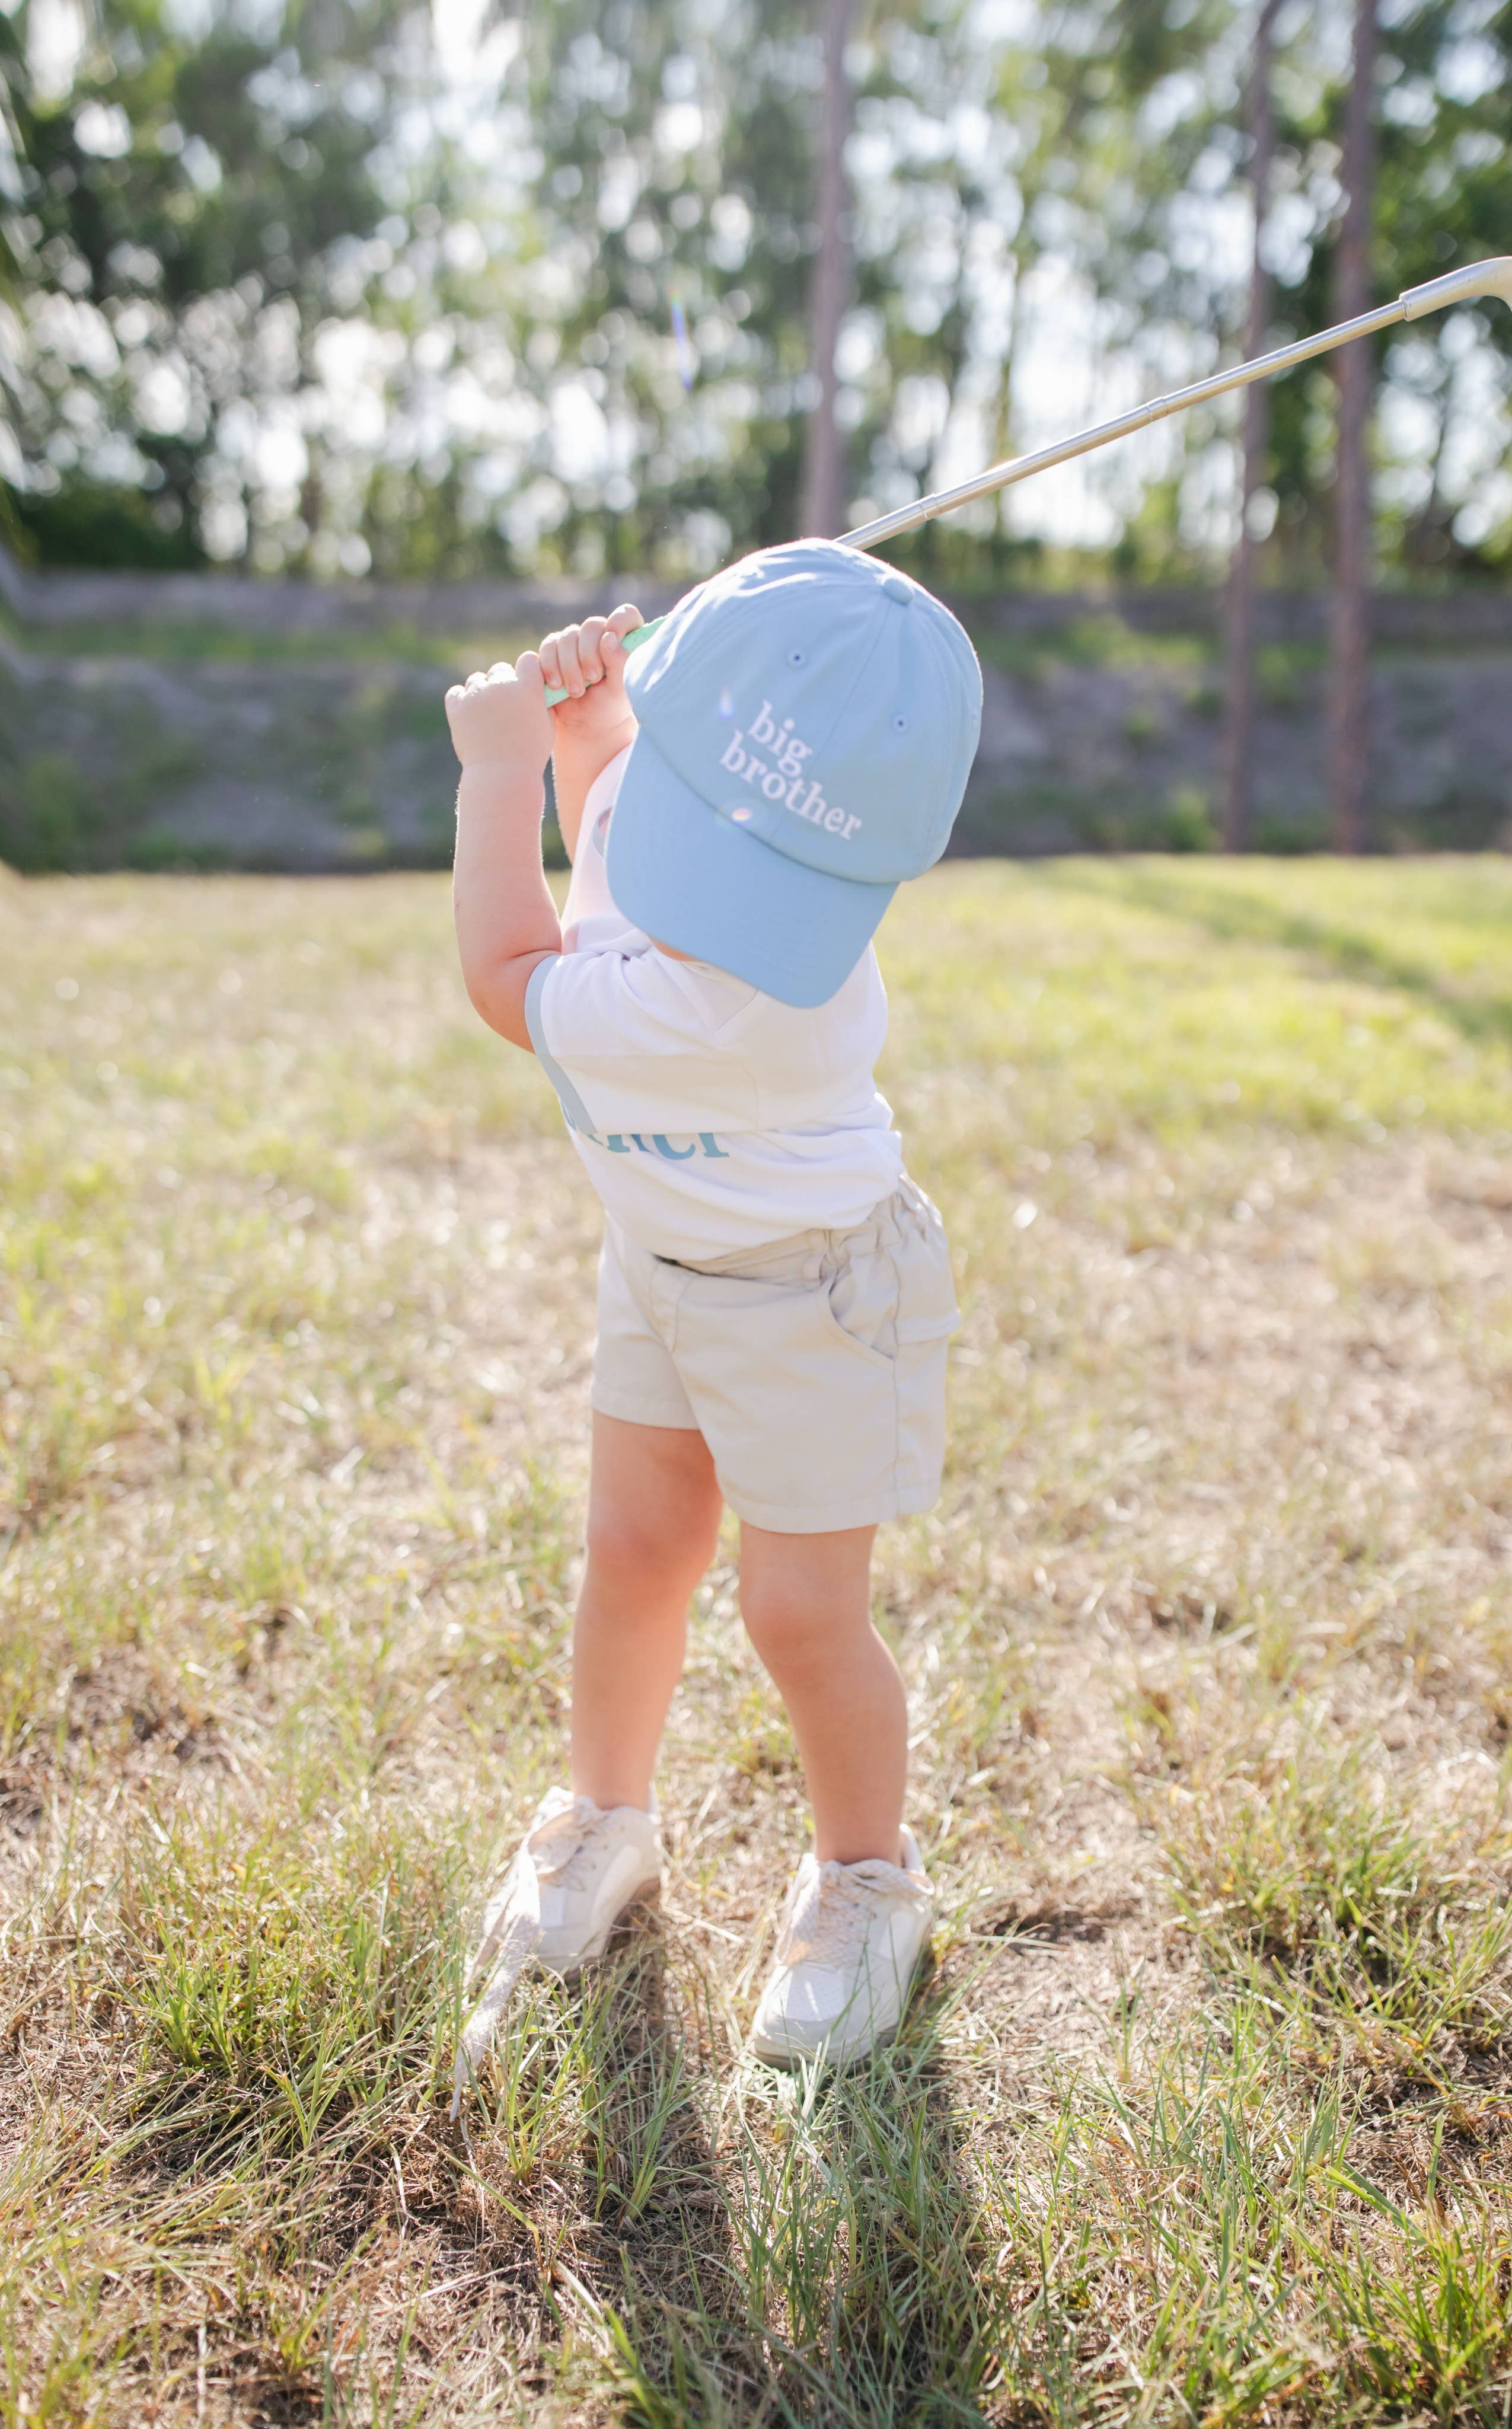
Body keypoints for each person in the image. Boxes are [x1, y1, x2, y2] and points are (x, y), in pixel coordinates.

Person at [445, 540, 981, 2109]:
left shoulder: (737, 998)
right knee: (632, 1555)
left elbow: (504, 968)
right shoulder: (675, 799)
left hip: (814, 1294)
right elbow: (613, 791)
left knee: (798, 1616)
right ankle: (604, 1817)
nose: (653, 849)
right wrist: (587, 723)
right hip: (663, 1263)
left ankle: (868, 1879)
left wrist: (491, 771)